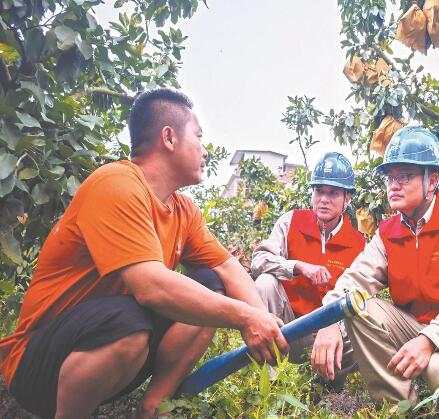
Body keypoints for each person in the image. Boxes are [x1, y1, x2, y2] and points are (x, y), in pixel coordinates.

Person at [0, 88, 289, 419]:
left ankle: (153, 407)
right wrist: (245, 317)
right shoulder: (116, 185)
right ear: (169, 138)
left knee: (209, 282)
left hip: (111, 348)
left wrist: (264, 323)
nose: (204, 151)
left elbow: (226, 267)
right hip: (37, 365)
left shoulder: (183, 210)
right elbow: (150, 286)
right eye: (198, 136)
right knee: (129, 320)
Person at [311, 127, 439, 405]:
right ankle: (400, 406)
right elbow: (355, 280)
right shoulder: (388, 232)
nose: (394, 185)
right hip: (416, 327)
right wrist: (329, 319)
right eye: (390, 177)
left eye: (405, 176)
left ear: (432, 180)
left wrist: (429, 340)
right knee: (358, 306)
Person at [251, 152, 365, 385]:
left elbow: (360, 297)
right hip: (287, 330)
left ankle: (331, 384)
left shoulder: (358, 244)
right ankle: (269, 381)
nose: (324, 199)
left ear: (348, 199)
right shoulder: (291, 221)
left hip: (331, 336)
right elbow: (258, 259)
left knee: (365, 318)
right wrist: (297, 266)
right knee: (264, 282)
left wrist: (332, 325)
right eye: (319, 191)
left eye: (333, 193)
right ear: (312, 194)